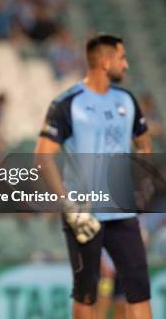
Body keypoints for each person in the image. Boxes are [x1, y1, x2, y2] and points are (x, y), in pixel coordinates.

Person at [35, 34, 152, 319]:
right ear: (104, 61)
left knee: (138, 291)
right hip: (84, 214)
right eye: (121, 58)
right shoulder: (67, 103)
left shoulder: (127, 100)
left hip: (122, 214)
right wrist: (68, 206)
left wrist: (138, 182)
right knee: (87, 294)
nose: (126, 64)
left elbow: (145, 145)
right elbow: (42, 156)